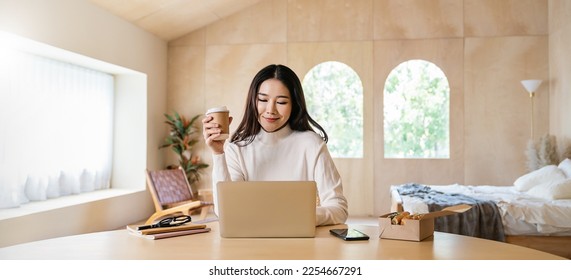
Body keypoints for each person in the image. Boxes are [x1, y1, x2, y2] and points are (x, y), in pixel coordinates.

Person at [202, 64, 348, 226]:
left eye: (281, 102)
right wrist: (218, 154)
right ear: (253, 101)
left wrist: (295, 218)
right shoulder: (237, 149)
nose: (270, 110)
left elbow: (338, 209)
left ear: (294, 105)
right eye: (263, 100)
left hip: (301, 245)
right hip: (251, 245)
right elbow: (225, 211)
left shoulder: (312, 144)